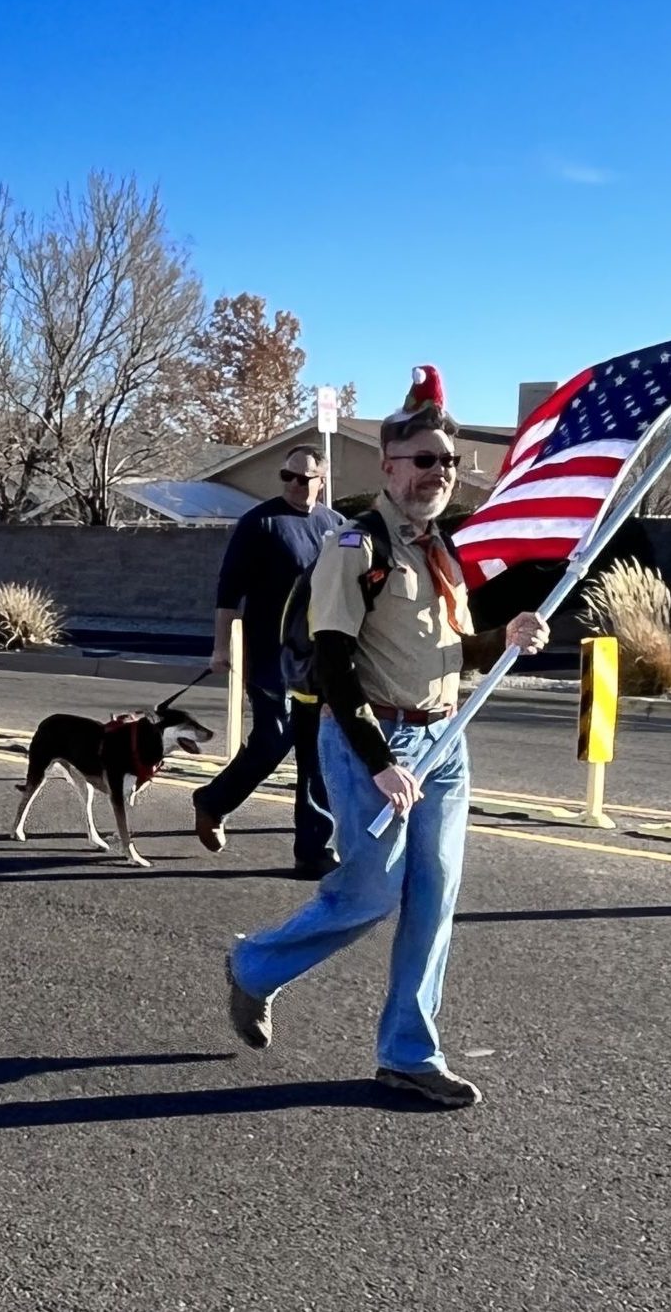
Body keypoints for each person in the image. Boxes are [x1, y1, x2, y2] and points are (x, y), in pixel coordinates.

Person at [224, 369, 549, 1108]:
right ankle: (254, 967)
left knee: (434, 897)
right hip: (375, 737)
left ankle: (408, 1051)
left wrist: (507, 636)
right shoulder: (355, 546)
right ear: (390, 467)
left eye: (448, 460)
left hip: (445, 743)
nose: (439, 473)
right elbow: (333, 658)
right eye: (424, 460)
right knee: (368, 893)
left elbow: (453, 647)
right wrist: (378, 761)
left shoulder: (441, 549)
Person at [192, 444, 342, 876]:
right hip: (270, 656)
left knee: (317, 752)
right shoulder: (260, 523)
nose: (295, 484)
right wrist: (221, 647)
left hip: (318, 660)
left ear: (321, 479)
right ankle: (213, 800)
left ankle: (313, 849)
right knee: (274, 738)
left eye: (304, 477)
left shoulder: (335, 526)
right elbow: (228, 591)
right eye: (287, 476)